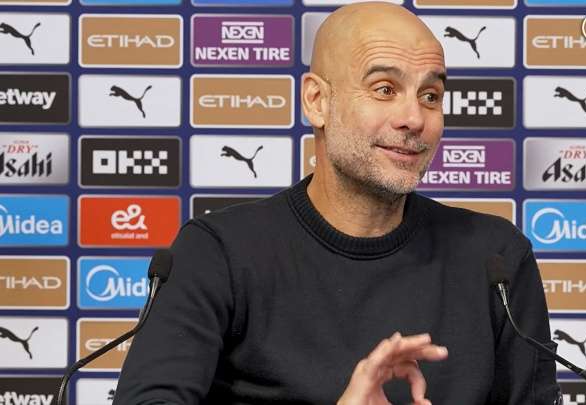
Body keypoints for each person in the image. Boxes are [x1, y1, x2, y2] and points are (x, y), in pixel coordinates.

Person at [114, 2, 559, 404]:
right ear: (317, 101)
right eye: (384, 89)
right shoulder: (218, 251)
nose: (413, 118)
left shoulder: (496, 259)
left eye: (430, 96)